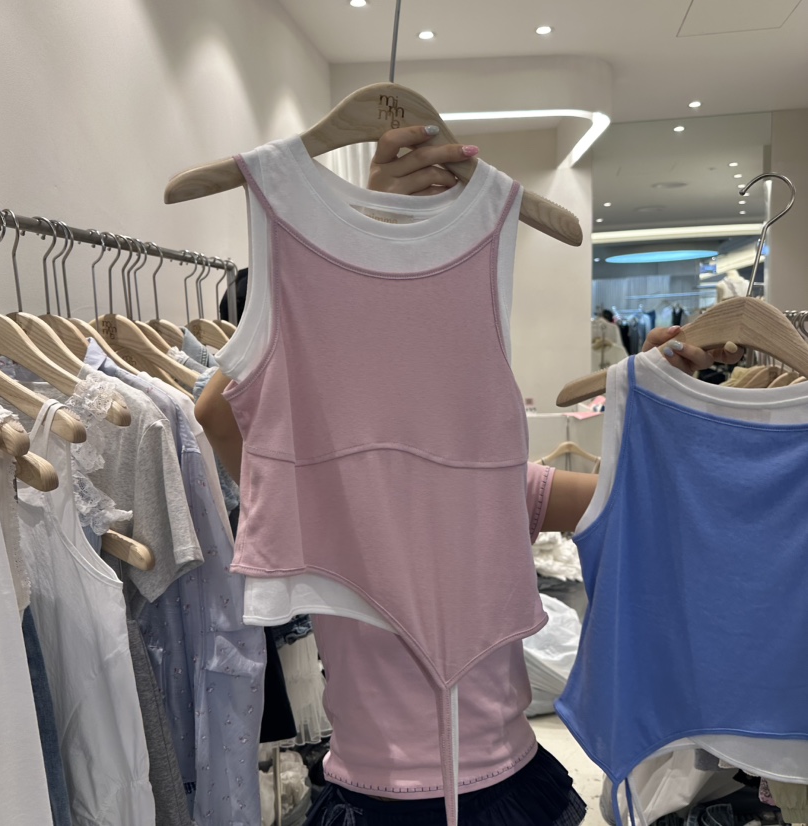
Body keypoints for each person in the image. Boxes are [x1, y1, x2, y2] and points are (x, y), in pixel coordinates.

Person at [196, 125, 742, 826]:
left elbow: (640, 502)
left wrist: (666, 402)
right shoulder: (313, 492)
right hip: (376, 795)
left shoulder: (496, 485)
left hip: (504, 783)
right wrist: (358, 241)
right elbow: (218, 413)